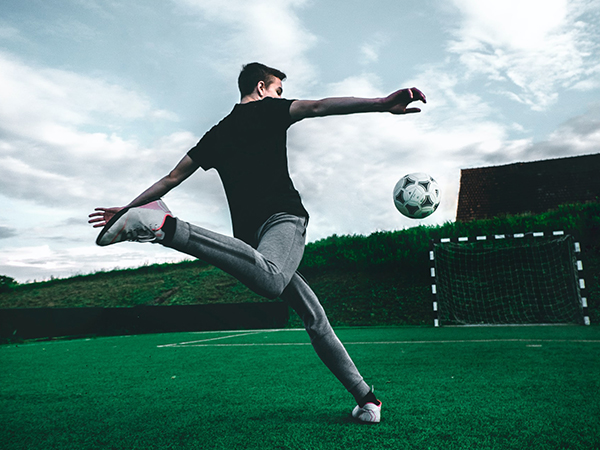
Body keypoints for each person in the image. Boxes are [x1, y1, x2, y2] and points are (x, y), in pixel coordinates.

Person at [89, 62, 426, 423]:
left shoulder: (216, 134)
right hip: (283, 220)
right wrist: (380, 103)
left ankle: (366, 398)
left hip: (255, 242)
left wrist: (129, 208)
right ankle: (169, 229)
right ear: (262, 88)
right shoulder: (271, 110)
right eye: (279, 89)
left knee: (314, 316)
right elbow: (318, 106)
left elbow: (171, 178)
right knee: (271, 280)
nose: (281, 96)